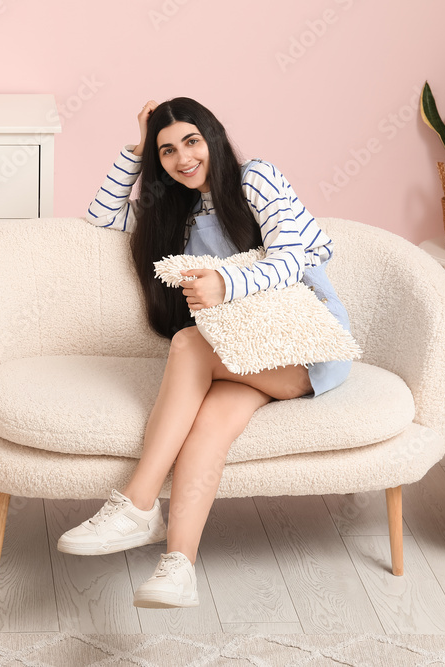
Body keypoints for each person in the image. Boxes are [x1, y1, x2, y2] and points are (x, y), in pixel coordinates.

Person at [57, 97, 352, 608]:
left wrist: (223, 281)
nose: (182, 158)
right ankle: (179, 567)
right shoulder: (177, 211)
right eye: (167, 150)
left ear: (212, 136)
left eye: (191, 141)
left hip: (303, 347)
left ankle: (136, 504)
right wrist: (137, 149)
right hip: (239, 353)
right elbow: (101, 219)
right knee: (207, 429)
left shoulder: (256, 178)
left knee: (191, 340)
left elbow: (290, 258)